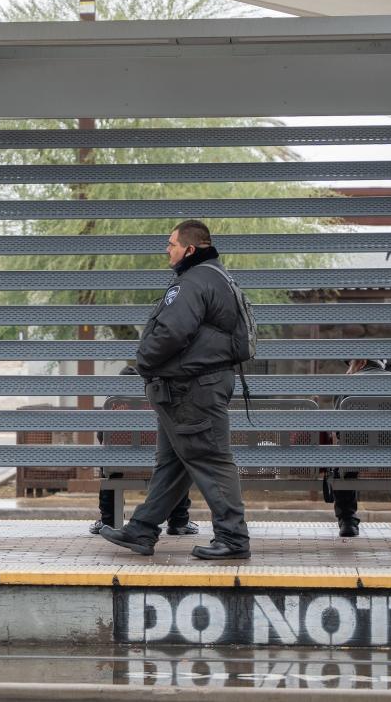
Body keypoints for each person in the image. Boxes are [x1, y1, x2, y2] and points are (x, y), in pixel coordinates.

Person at [99, 220, 252, 560]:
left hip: (191, 390)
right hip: (197, 386)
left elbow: (171, 332)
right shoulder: (217, 277)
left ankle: (233, 539)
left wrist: (144, 361)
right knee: (174, 463)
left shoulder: (193, 282)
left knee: (211, 459)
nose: (166, 250)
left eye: (171, 244)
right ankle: (141, 530)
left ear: (190, 249)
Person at [89, 366, 197, 536]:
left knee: (109, 466)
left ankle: (108, 521)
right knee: (177, 464)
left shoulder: (112, 405)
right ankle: (179, 521)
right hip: (158, 464)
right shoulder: (158, 403)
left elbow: (102, 437)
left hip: (121, 467)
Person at [332, 358, 391, 539]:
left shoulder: (346, 385)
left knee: (341, 462)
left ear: (362, 363)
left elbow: (338, 429)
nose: (348, 370)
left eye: (350, 365)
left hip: (356, 453)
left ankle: (348, 522)